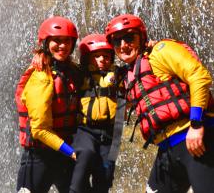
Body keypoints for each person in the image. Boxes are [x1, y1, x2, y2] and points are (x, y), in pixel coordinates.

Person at [105, 14, 214, 193]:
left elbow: (199, 77)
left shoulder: (161, 51)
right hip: (167, 150)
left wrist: (196, 124)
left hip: (195, 136)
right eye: (117, 41)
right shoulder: (129, 74)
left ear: (141, 37)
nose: (123, 45)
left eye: (129, 37)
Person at [15, 16, 81, 193]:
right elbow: (39, 130)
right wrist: (70, 151)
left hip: (64, 157)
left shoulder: (71, 71)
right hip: (39, 158)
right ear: (46, 43)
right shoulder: (41, 76)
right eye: (56, 41)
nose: (62, 46)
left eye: (67, 41)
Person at [69, 34, 122, 193]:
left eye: (106, 56)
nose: (101, 59)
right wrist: (42, 56)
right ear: (86, 59)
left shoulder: (119, 74)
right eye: (96, 56)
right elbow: (60, 65)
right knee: (85, 155)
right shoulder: (80, 74)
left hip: (110, 135)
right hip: (85, 129)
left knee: (105, 177)